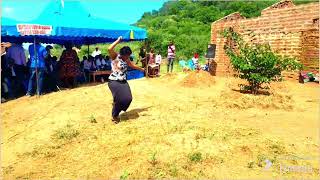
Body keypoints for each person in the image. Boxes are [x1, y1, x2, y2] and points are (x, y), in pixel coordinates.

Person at [107, 36, 145, 124]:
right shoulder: (115, 56)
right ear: (123, 54)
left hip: (123, 81)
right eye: (127, 55)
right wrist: (118, 40)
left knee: (128, 98)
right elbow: (109, 48)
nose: (128, 57)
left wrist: (141, 69)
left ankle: (117, 107)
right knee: (120, 99)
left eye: (128, 55)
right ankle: (114, 116)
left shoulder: (126, 59)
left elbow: (132, 66)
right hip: (114, 81)